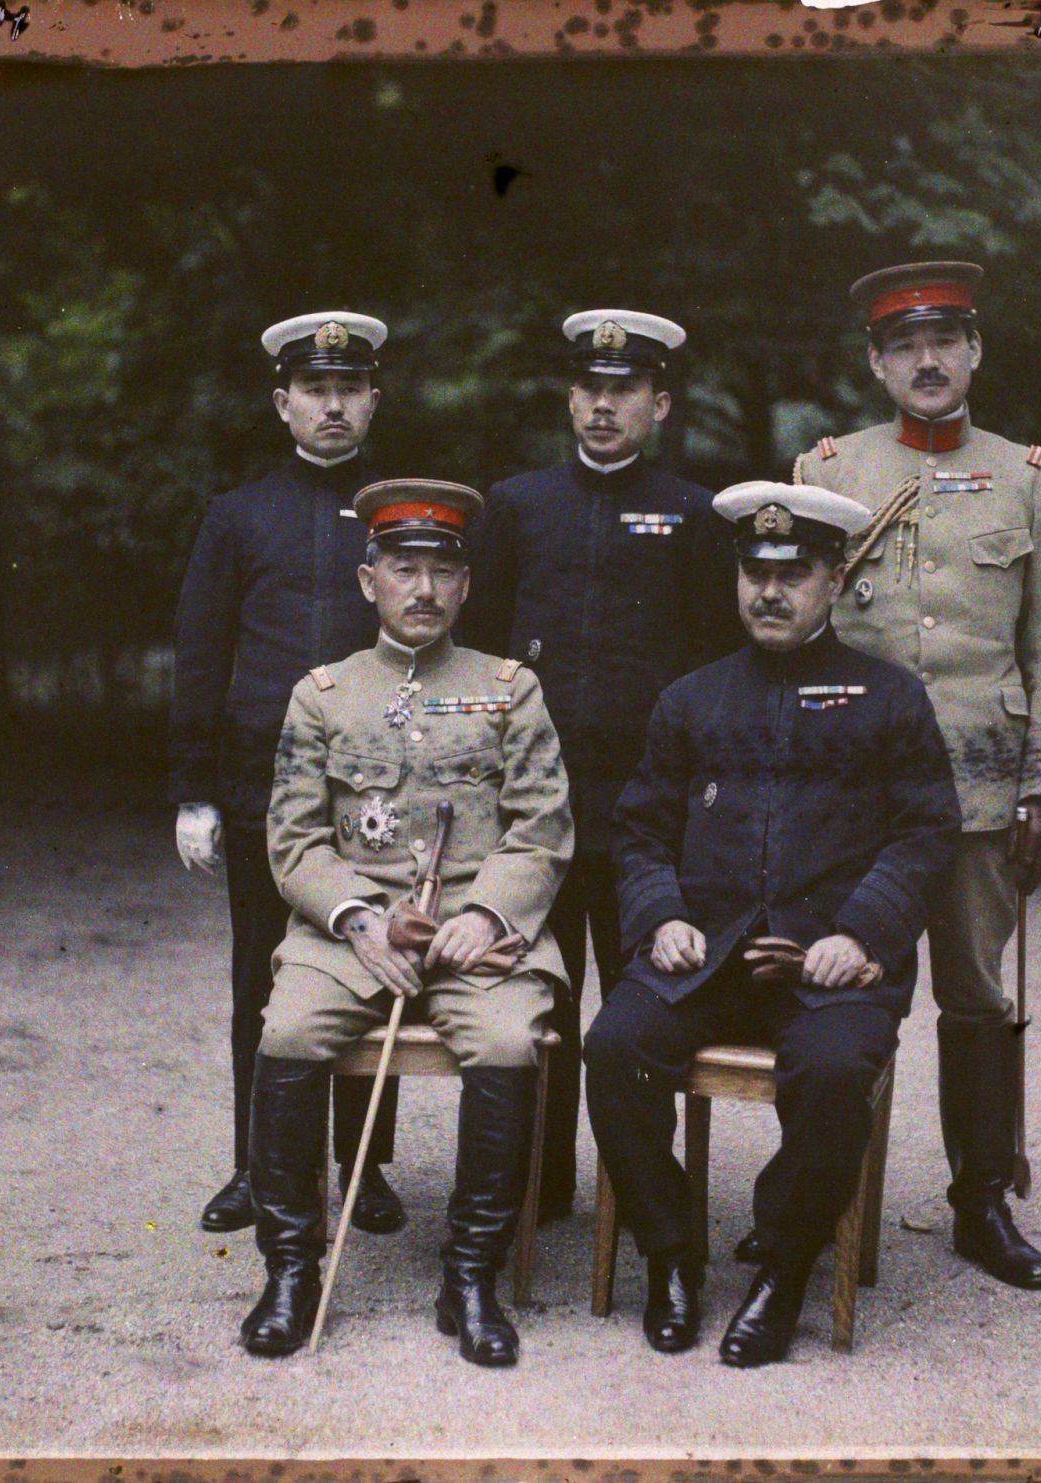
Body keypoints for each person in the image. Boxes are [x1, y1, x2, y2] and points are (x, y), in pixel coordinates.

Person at [583, 481, 962, 1367]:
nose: (769, 591)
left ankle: (783, 1268)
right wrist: (661, 916)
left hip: (830, 968)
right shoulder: (692, 700)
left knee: (833, 1074)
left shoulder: (890, 698)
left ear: (836, 579)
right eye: (755, 571)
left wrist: (862, 933)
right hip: (705, 959)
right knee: (614, 1046)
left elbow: (926, 832)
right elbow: (637, 828)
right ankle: (671, 1254)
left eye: (794, 574)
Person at [790, 261, 1041, 1291]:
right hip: (855, 793)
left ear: (974, 352)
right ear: (876, 363)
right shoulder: (826, 473)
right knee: (829, 990)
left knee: (971, 996)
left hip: (977, 784)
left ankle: (978, 1205)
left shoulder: (1026, 477)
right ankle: (804, 1203)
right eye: (904, 345)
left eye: (944, 340)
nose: (926, 360)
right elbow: (798, 637)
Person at [240, 479, 575, 1366]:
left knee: (506, 1041)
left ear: (466, 587)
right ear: (368, 581)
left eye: (439, 572)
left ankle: (470, 1274)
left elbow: (543, 829)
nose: (422, 589)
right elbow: (296, 838)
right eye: (402, 569)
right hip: (352, 932)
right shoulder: (322, 694)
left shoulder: (511, 689)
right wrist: (357, 918)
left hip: (478, 932)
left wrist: (487, 911)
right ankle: (289, 1267)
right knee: (288, 1029)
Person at [464, 309, 737, 1223]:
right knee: (535, 999)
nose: (603, 407)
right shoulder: (517, 504)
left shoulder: (697, 515)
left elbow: (712, 671)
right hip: (535, 809)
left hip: (644, 817)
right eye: (589, 389)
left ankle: (638, 1202)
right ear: (570, 398)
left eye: (624, 392)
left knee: (638, 1015)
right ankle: (535, 1192)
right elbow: (483, 651)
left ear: (658, 404)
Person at [168, 311, 406, 1239]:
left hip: (381, 785)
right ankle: (256, 1162)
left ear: (374, 401)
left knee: (376, 967)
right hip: (267, 786)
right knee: (261, 977)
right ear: (283, 403)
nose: (333, 405)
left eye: (350, 390)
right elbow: (200, 654)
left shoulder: (400, 512)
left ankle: (364, 1167)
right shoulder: (237, 517)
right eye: (315, 390)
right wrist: (194, 790)